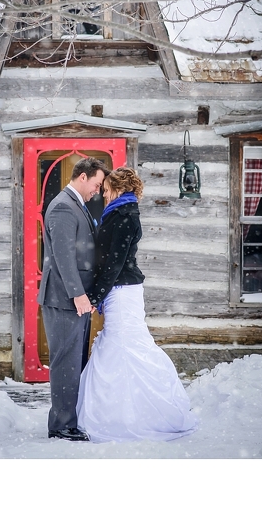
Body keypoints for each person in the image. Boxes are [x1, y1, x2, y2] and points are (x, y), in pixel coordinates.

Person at [76, 167, 198, 442]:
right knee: (122, 347)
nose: (103, 196)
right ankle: (122, 413)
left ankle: (138, 416)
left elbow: (113, 262)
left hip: (122, 292)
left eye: (106, 191)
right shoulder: (119, 212)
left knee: (125, 347)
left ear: (117, 188)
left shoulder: (125, 216)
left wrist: (95, 296)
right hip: (119, 290)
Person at [38, 157, 108, 442]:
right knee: (65, 363)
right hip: (64, 299)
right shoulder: (64, 207)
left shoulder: (76, 203)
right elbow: (63, 257)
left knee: (74, 362)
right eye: (96, 183)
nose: (98, 189)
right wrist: (78, 294)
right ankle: (62, 426)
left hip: (74, 300)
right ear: (83, 177)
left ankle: (69, 419)